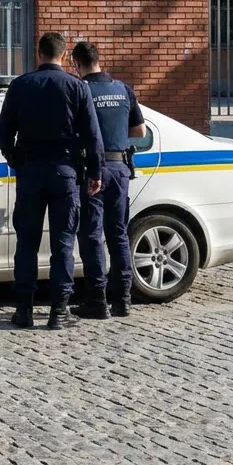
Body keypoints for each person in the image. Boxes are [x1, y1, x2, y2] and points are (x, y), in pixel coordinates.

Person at [0, 31, 104, 330]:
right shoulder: (77, 87)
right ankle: (59, 311)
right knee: (63, 242)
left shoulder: (20, 86)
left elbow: (4, 132)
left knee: (27, 241)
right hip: (65, 172)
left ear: (39, 53)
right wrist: (95, 173)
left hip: (30, 171)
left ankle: (24, 310)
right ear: (63, 54)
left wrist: (16, 161)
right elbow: (93, 135)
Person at [69, 41, 146, 320]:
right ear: (98, 60)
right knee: (118, 235)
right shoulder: (123, 89)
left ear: (76, 64)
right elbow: (139, 130)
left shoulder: (81, 91)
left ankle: (97, 301)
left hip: (93, 170)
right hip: (121, 168)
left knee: (91, 236)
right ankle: (123, 300)